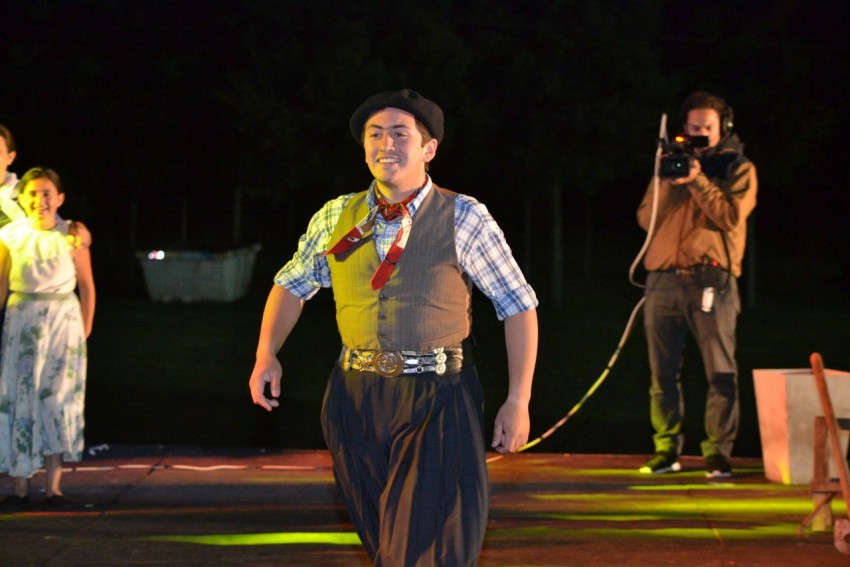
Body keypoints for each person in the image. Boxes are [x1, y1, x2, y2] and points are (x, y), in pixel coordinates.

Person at [249, 89, 538, 565]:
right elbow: (292, 284)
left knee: (422, 546)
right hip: (353, 397)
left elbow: (518, 305)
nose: (387, 144)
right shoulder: (335, 216)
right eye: (375, 134)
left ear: (429, 148)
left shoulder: (462, 216)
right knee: (383, 539)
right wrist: (267, 352)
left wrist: (518, 400)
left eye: (401, 134)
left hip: (437, 396)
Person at [636, 91, 757, 478]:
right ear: (682, 129)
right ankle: (666, 449)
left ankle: (718, 453)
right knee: (661, 373)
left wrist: (699, 179)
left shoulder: (738, 168)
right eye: (693, 127)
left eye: (707, 127)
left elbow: (730, 217)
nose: (700, 133)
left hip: (711, 279)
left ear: (723, 128)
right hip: (662, 280)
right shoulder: (670, 166)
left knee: (719, 371)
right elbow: (645, 219)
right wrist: (666, 179)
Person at [0, 167, 95, 510]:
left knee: (57, 398)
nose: (39, 201)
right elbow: (2, 282)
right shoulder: (10, 235)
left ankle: (53, 489)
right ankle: (20, 487)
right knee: (19, 396)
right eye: (32, 194)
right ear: (21, 199)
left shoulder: (71, 235)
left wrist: (85, 327)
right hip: (22, 321)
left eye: (46, 194)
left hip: (61, 323)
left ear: (59, 198)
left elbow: (86, 284)